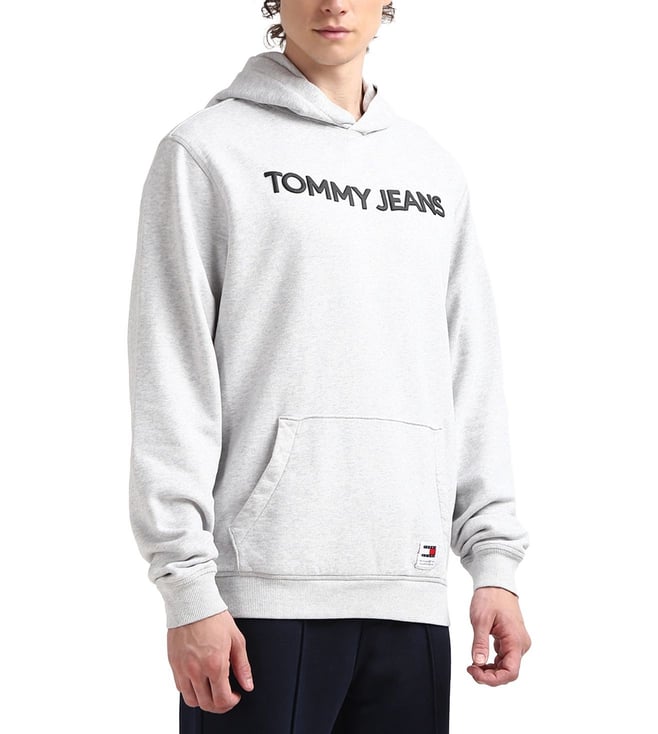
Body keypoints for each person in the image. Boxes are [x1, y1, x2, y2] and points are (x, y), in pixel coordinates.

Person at [126, 1, 531, 732]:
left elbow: (470, 372)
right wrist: (187, 588)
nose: (334, 4)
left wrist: (493, 561)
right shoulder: (206, 152)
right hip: (257, 600)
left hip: (410, 589)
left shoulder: (432, 170)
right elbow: (171, 369)